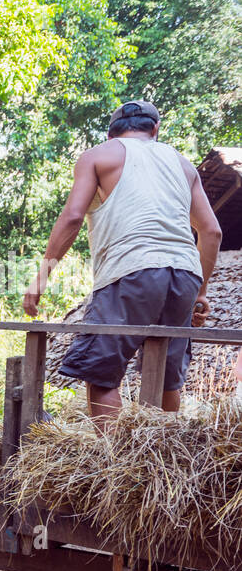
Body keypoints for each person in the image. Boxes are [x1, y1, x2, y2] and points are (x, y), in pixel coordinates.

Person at [25, 100, 223, 425]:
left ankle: (119, 468)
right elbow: (211, 232)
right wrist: (200, 292)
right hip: (184, 275)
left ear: (111, 132)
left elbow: (73, 216)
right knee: (165, 377)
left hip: (130, 270)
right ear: (155, 129)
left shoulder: (99, 155)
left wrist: (41, 278)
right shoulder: (182, 164)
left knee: (102, 374)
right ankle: (164, 462)